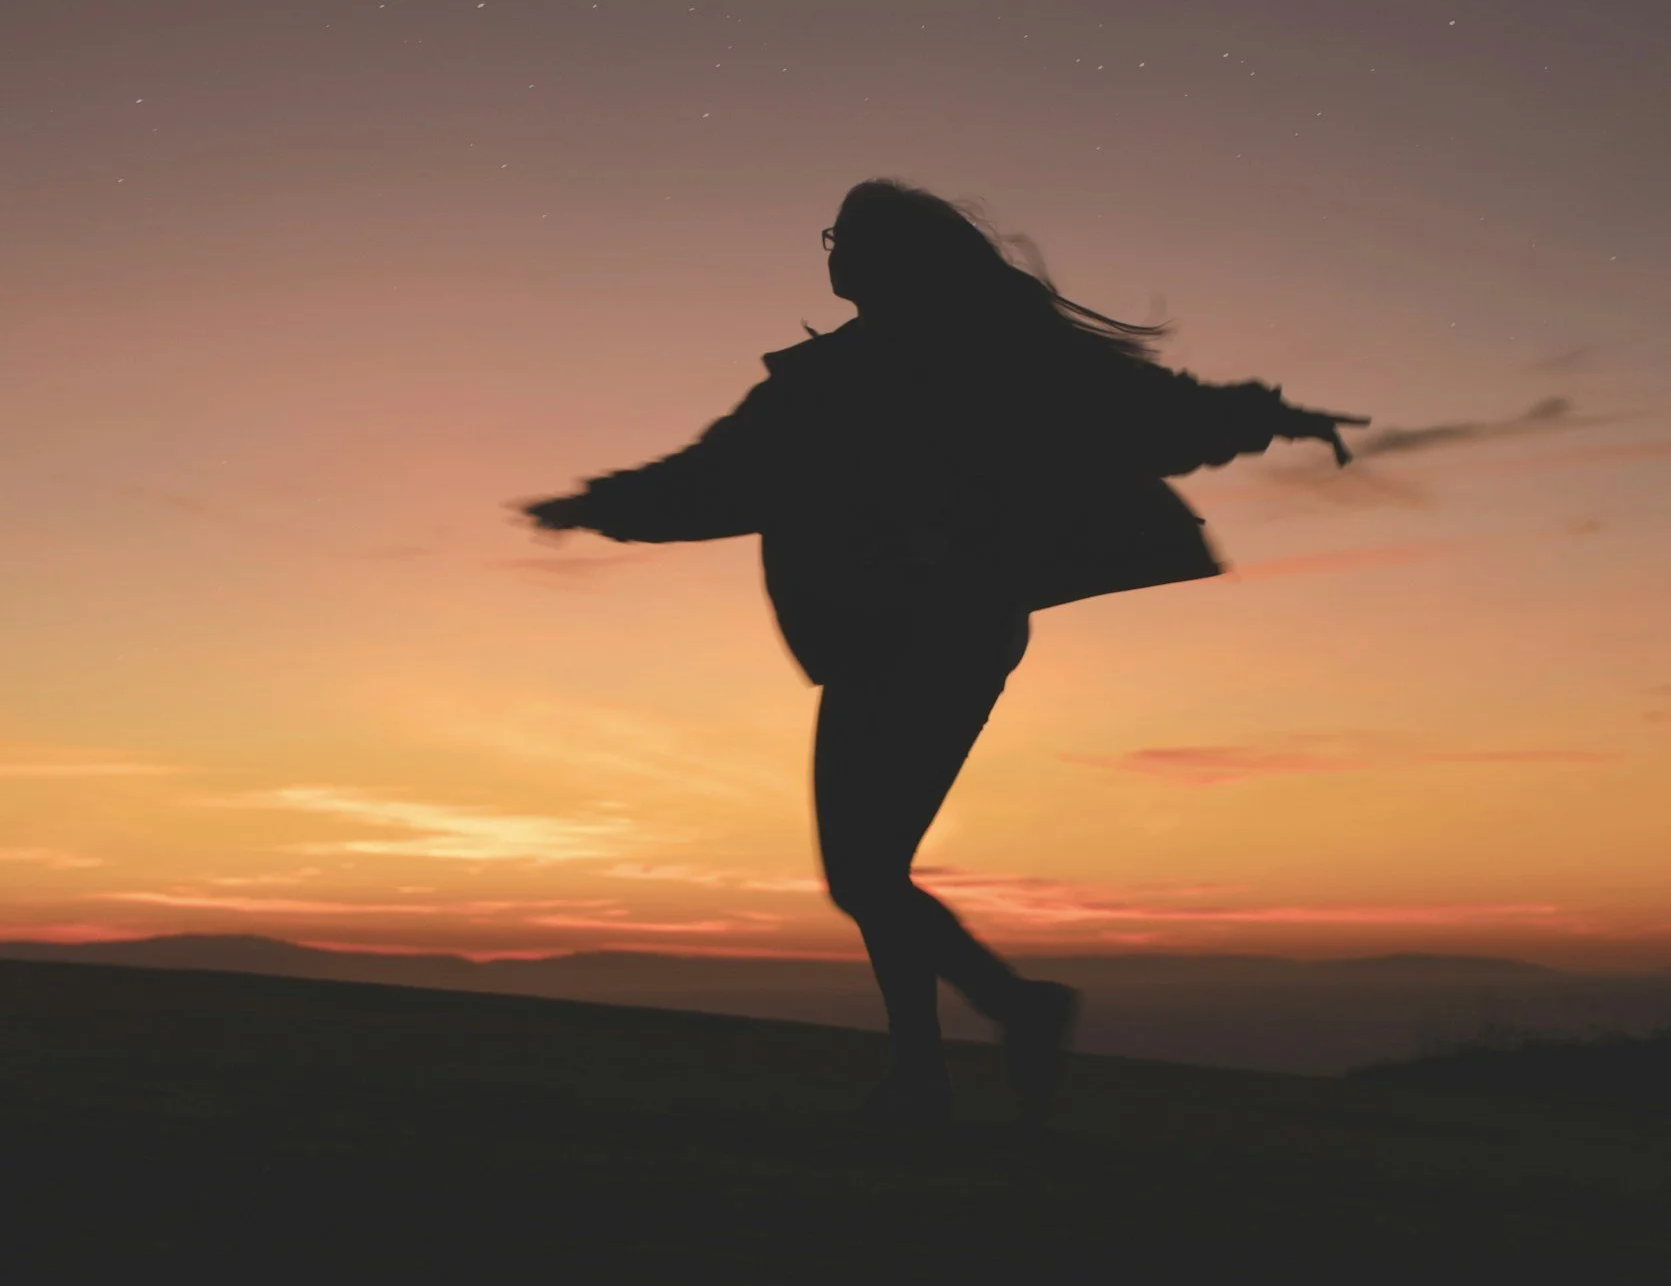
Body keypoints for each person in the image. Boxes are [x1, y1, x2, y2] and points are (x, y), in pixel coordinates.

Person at [521, 180, 1367, 1130]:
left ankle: (975, 1037)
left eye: (845, 236)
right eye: (830, 234)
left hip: (920, 631)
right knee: (871, 869)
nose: (830, 251)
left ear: (889, 258)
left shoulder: (908, 370)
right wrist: (603, 504)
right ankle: (951, 1052)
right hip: (922, 629)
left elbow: (722, 478)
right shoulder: (886, 369)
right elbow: (720, 479)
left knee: (863, 871)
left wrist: (599, 506)